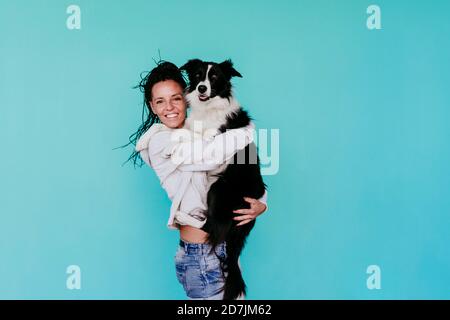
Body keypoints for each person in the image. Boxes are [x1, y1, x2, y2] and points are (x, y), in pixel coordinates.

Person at [127, 61, 267, 299]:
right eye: (160, 101)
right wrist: (247, 131)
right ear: (152, 107)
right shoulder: (160, 141)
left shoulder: (196, 130)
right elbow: (209, 157)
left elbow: (241, 170)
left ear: (186, 98)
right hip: (201, 256)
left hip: (219, 248)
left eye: (176, 98)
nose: (170, 107)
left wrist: (262, 202)